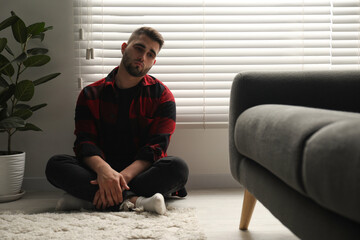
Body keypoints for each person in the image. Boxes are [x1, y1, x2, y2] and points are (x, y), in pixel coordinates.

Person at [45, 27, 189, 215]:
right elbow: (85, 143)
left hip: (140, 174)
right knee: (55, 165)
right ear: (124, 48)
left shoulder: (162, 96)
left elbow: (156, 149)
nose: (142, 57)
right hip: (99, 171)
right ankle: (136, 201)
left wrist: (117, 179)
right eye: (139, 48)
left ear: (153, 62)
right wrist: (105, 172)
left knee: (178, 168)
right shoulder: (90, 94)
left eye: (150, 54)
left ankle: (91, 200)